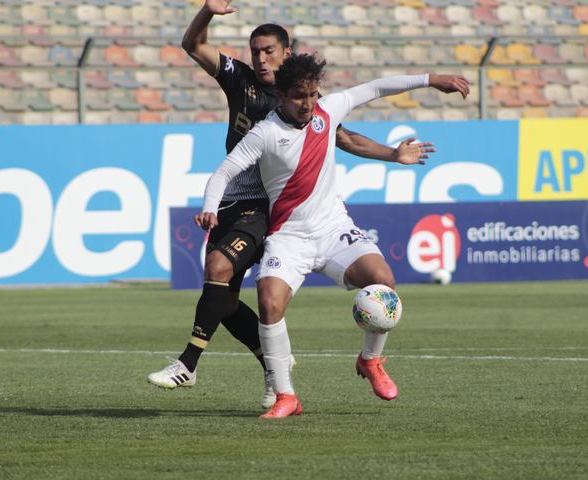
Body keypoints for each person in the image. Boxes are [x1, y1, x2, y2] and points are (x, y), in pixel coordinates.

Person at [148, 0, 434, 409]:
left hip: (269, 208)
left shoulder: (315, 104)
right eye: (256, 52)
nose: (261, 59)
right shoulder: (244, 86)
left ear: (287, 54)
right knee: (227, 300)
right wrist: (208, 11)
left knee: (221, 270)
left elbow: (349, 127)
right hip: (243, 206)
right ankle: (275, 375)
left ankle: (189, 363)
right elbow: (193, 46)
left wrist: (396, 145)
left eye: (269, 51)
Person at [196, 53, 470, 418]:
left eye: (312, 94)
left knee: (383, 281)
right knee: (269, 302)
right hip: (289, 237)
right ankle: (286, 396)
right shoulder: (265, 132)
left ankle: (370, 360)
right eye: (298, 96)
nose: (307, 103)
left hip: (332, 229)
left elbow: (376, 88)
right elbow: (223, 172)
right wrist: (210, 207)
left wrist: (431, 78)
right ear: (282, 95)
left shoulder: (328, 110)